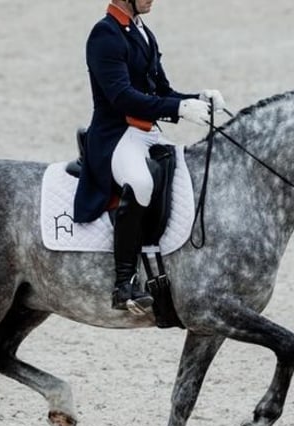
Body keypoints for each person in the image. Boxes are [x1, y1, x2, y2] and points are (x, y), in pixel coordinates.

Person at [74, 0, 225, 313]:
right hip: (116, 136)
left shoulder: (143, 32)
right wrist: (178, 110)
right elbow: (122, 98)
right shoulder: (105, 35)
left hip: (146, 132)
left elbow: (161, 91)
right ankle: (123, 283)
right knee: (141, 182)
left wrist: (197, 99)